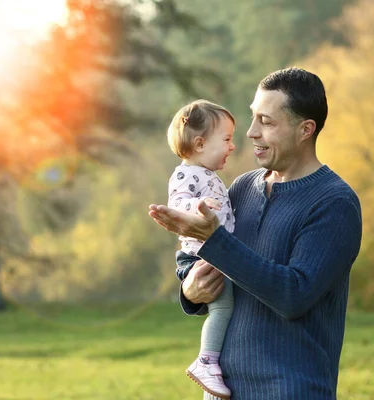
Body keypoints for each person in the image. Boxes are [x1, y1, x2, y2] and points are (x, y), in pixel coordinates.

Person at [150, 67, 362, 400]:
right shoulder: (241, 189)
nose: (250, 133)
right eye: (253, 118)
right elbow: (217, 267)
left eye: (267, 122)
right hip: (224, 394)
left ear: (305, 130)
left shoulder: (335, 203)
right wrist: (190, 291)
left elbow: (294, 296)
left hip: (292, 392)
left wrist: (216, 242)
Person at [166, 99, 237, 399]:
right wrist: (198, 206)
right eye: (227, 139)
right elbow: (177, 204)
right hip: (199, 255)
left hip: (212, 252)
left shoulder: (208, 175)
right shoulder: (186, 174)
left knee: (225, 305)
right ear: (199, 143)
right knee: (223, 306)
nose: (232, 147)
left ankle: (210, 365)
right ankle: (206, 361)